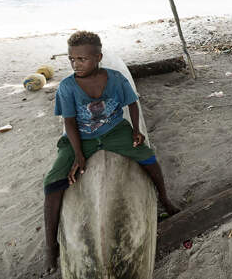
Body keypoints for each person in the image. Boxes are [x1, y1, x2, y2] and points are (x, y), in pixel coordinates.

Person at [42, 31, 179, 274]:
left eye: (82, 59)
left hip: (114, 131)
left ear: (98, 58)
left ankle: (165, 199)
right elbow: (70, 123)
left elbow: (132, 103)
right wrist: (78, 154)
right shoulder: (67, 87)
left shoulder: (115, 79)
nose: (76, 64)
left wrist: (136, 130)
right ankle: (51, 245)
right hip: (80, 137)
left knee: (148, 158)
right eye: (72, 59)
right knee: (52, 183)